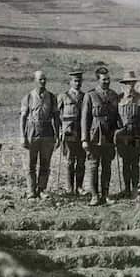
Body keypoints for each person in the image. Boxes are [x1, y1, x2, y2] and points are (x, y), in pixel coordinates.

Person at [81, 66, 120, 206]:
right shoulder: (90, 95)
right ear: (98, 80)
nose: (107, 82)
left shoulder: (114, 95)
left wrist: (118, 134)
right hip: (94, 136)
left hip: (109, 136)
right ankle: (94, 196)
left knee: (107, 166)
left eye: (108, 79)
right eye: (104, 80)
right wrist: (84, 139)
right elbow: (85, 119)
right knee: (93, 165)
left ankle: (105, 194)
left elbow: (117, 118)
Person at [19, 70, 61, 199]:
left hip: (47, 131)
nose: (43, 82)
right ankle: (31, 190)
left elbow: (56, 117)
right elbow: (23, 118)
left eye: (44, 79)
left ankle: (42, 189)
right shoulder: (28, 97)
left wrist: (58, 136)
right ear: (35, 81)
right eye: (40, 79)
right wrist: (23, 136)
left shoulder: (52, 97)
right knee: (31, 163)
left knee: (45, 163)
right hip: (32, 131)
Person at [115, 71, 140, 196]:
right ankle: (126, 189)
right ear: (124, 84)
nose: (130, 85)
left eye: (132, 83)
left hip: (136, 134)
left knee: (135, 162)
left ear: (135, 84)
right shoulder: (118, 98)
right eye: (127, 83)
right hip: (123, 135)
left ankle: (135, 188)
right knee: (125, 162)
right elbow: (115, 117)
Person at [56, 69, 87, 197]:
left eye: (79, 81)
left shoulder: (85, 96)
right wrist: (59, 131)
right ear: (70, 82)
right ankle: (70, 188)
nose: (77, 83)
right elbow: (57, 115)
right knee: (70, 161)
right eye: (75, 81)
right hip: (68, 132)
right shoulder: (63, 96)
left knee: (81, 161)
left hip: (82, 132)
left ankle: (79, 187)